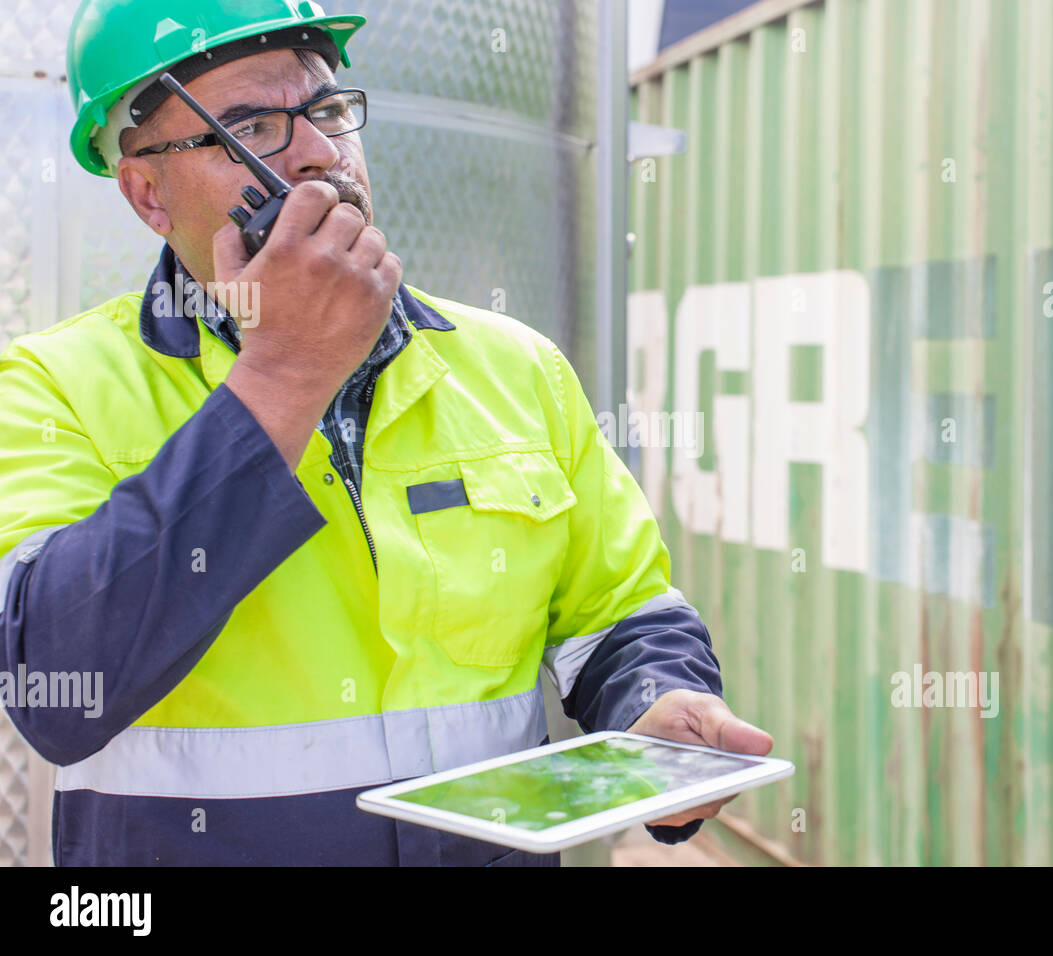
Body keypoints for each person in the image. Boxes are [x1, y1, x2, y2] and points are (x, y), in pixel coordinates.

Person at [0, 0, 772, 866]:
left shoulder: (516, 367)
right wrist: (284, 373)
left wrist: (655, 703)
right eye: (252, 124)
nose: (321, 153)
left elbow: (619, 610)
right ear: (148, 192)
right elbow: (58, 688)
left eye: (327, 111)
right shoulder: (50, 388)